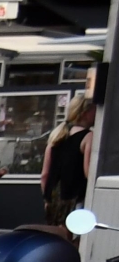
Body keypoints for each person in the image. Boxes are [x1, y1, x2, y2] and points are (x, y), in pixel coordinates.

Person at [44, 93, 95, 227]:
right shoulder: (88, 136)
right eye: (94, 109)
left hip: (53, 199)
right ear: (85, 112)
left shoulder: (57, 135)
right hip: (74, 198)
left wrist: (47, 199)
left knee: (56, 236)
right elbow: (88, 172)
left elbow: (45, 174)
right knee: (74, 239)